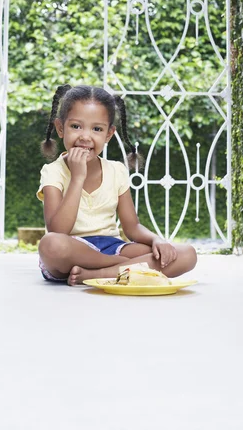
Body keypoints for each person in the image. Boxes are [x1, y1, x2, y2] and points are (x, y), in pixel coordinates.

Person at [37, 84, 197, 285]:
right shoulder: (53, 171)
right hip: (72, 249)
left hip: (112, 246)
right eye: (76, 126)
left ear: (108, 135)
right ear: (60, 128)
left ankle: (101, 273)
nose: (85, 136)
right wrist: (77, 178)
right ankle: (120, 267)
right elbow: (58, 230)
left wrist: (157, 239)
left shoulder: (116, 170)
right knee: (50, 245)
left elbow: (132, 227)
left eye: (97, 129)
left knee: (185, 254)